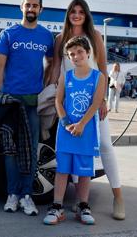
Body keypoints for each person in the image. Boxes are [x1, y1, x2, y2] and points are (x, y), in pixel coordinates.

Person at [49, 0, 125, 220]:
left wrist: (102, 100)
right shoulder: (60, 38)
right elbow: (56, 68)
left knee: (104, 144)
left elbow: (102, 68)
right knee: (73, 149)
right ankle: (80, 202)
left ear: (86, 14)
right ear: (68, 14)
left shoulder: (95, 37)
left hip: (93, 102)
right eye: (73, 10)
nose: (77, 14)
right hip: (70, 101)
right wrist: (54, 94)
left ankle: (118, 196)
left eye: (81, 11)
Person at [0, 0, 54, 216]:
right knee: (10, 149)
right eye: (28, 5)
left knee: (30, 149)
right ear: (21, 7)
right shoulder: (9, 33)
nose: (31, 9)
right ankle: (12, 194)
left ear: (40, 10)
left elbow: (51, 61)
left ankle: (27, 196)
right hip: (10, 100)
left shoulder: (46, 36)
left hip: (32, 102)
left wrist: (45, 85)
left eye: (35, 6)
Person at [44, 36, 105, 226]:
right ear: (69, 58)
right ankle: (57, 206)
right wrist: (65, 121)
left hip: (85, 132)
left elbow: (96, 103)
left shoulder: (98, 77)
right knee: (62, 170)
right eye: (72, 54)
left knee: (84, 172)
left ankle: (83, 205)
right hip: (66, 132)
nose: (76, 56)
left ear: (88, 53)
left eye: (79, 52)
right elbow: (58, 101)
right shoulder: (66, 76)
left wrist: (81, 124)